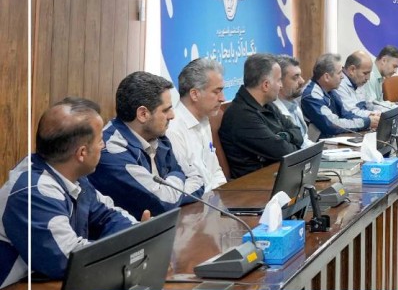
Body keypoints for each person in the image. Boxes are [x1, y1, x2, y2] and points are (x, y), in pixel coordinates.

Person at [0, 99, 143, 288]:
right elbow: (68, 259)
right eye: (100, 140)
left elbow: (108, 215)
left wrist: (138, 235)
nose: (103, 146)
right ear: (82, 153)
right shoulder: (32, 192)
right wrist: (132, 244)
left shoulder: (73, 177)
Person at [90, 71, 204, 216]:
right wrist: (177, 176)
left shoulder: (158, 136)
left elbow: (198, 180)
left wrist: (171, 190)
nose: (172, 115)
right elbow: (165, 201)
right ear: (143, 114)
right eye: (166, 110)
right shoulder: (112, 150)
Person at [219, 53, 304, 179]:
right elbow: (285, 152)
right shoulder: (242, 116)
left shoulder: (267, 104)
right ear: (266, 85)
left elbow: (297, 132)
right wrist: (287, 139)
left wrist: (285, 136)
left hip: (276, 176)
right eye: (279, 80)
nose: (281, 85)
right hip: (254, 185)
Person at [167, 58, 227, 191]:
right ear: (194, 94)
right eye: (216, 92)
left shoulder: (205, 119)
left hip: (215, 197)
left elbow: (215, 171)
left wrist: (225, 196)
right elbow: (187, 187)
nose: (223, 98)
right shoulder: (173, 130)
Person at [301, 53, 379, 139]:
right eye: (339, 73)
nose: (342, 76)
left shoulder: (330, 90)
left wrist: (369, 118)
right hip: (318, 144)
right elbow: (332, 124)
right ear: (327, 77)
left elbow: (346, 114)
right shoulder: (312, 96)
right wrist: (366, 122)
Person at [274, 55, 315, 148]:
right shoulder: (273, 112)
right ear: (279, 81)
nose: (302, 81)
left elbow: (304, 140)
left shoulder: (294, 104)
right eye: (295, 77)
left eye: (300, 75)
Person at [338, 50, 378, 116]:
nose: (368, 78)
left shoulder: (357, 81)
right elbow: (351, 113)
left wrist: (384, 111)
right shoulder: (339, 84)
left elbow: (370, 105)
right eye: (365, 73)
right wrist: (374, 114)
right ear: (352, 70)